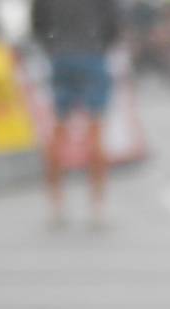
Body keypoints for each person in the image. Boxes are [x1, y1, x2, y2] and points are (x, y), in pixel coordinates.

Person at [31, 0, 122, 229]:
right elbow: (113, 26)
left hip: (60, 57)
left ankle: (56, 205)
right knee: (95, 131)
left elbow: (37, 25)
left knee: (58, 132)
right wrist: (98, 46)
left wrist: (54, 48)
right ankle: (98, 207)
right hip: (92, 55)